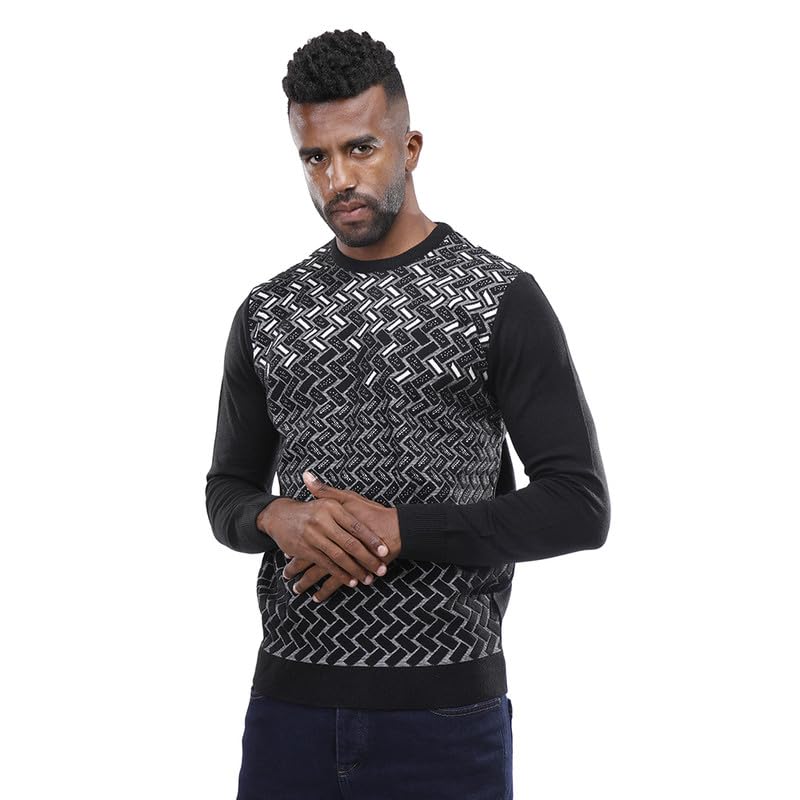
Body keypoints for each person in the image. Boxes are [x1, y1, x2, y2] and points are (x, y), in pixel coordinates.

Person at [205, 28, 610, 800]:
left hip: (446, 719)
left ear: (411, 146)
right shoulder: (268, 312)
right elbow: (225, 491)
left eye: (360, 148)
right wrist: (277, 519)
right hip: (289, 712)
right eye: (314, 158)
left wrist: (401, 530)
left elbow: (579, 507)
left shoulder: (499, 299)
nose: (338, 180)